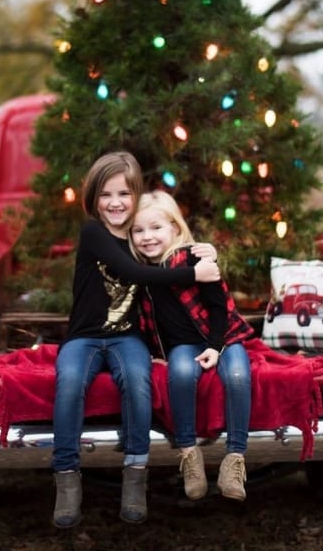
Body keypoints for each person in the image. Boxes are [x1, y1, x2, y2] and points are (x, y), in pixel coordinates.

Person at [52, 152, 220, 528]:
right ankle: (66, 481)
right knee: (70, 382)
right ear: (93, 197)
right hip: (84, 337)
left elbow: (173, 243)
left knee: (138, 383)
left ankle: (135, 477)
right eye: (106, 194)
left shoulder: (139, 234)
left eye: (124, 194)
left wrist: (201, 252)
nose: (115, 202)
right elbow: (130, 272)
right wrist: (194, 273)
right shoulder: (94, 232)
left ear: (136, 196)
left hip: (128, 337)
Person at [130, 190, 254, 503]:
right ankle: (189, 454)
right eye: (139, 230)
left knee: (238, 375)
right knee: (182, 374)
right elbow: (141, 320)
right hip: (182, 345)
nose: (147, 237)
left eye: (156, 227)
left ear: (175, 227)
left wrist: (215, 346)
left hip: (222, 335)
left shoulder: (194, 258)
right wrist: (152, 355)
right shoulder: (139, 273)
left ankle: (235, 459)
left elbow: (219, 307)